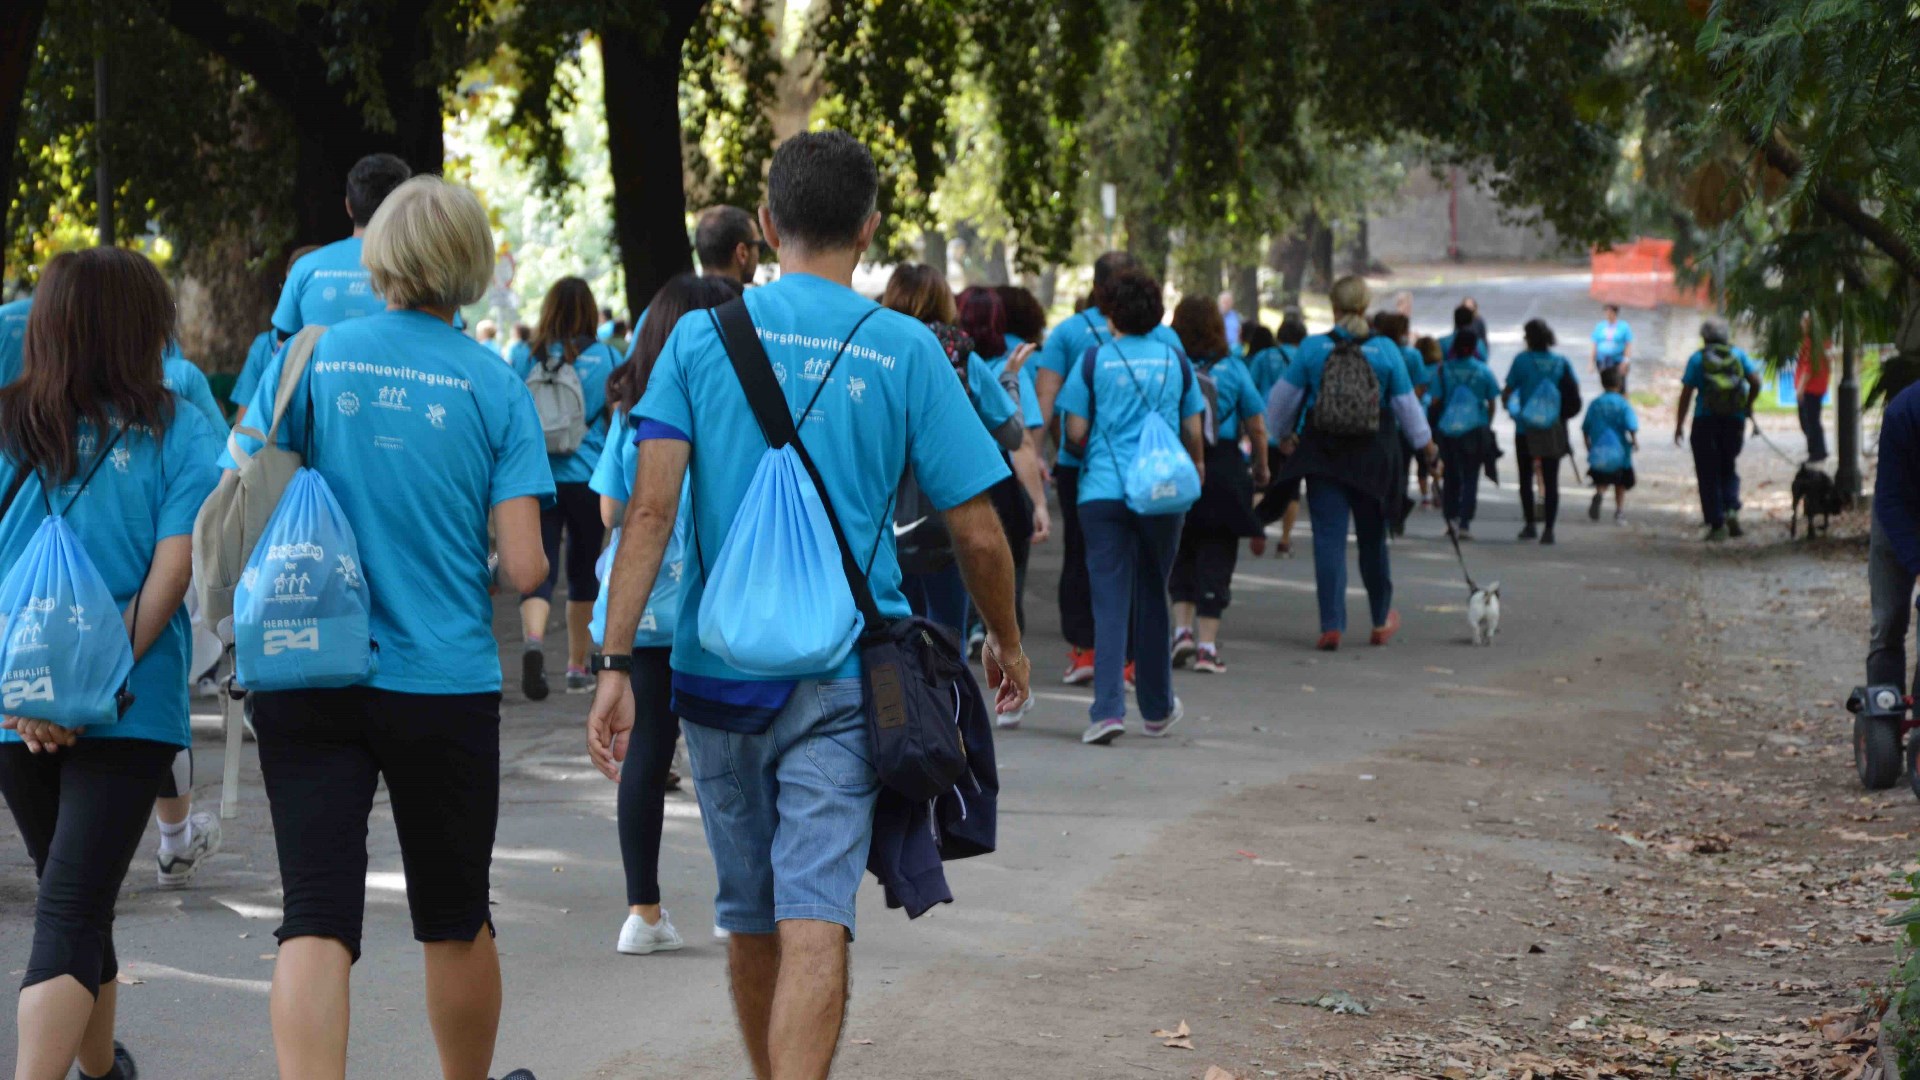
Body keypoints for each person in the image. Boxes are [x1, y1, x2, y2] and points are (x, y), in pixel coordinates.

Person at [586, 129, 1028, 1080]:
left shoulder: (700, 338)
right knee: (816, 912)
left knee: (749, 909)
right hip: (843, 675)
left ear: (769, 224)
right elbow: (981, 531)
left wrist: (616, 663)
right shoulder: (907, 348)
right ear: (867, 229)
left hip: (714, 675)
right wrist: (1006, 638)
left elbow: (651, 510)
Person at [226, 176, 551, 1080]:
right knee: (454, 914)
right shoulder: (494, 384)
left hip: (306, 667)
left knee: (316, 913)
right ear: (469, 268)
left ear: (379, 255)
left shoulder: (310, 357)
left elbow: (241, 486)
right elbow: (527, 567)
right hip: (441, 682)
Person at [0, 248, 222, 1080]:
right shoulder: (178, 427)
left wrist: (27, 691)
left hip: (14, 711)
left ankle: (103, 1074)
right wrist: (90, 682)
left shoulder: (8, 419)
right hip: (131, 705)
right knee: (71, 904)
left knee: (75, 897)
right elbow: (172, 575)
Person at [589, 271, 740, 957]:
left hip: (645, 610)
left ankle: (642, 912)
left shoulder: (634, 412)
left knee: (647, 755)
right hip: (715, 608)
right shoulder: (733, 406)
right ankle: (740, 901)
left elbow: (613, 511)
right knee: (728, 752)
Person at [1057, 270, 1203, 742]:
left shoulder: (1093, 359)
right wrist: (1197, 467)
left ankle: (1106, 711)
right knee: (1153, 595)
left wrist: (1094, 450)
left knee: (1109, 600)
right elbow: (1194, 429)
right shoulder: (1175, 360)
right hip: (1161, 493)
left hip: (1102, 491)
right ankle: (1157, 709)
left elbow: (1075, 432)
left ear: (1111, 313)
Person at [1033, 251, 1185, 685]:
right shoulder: (1167, 342)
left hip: (1083, 468)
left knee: (1083, 559)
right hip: (1154, 470)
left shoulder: (1068, 334)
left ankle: (1085, 651)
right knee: (1146, 564)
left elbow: (1048, 400)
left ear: (1096, 287)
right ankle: (1133, 658)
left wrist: (1037, 457)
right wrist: (1194, 463)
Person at [1264, 275, 1433, 650]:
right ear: (1365, 306)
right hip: (1375, 457)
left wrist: (1282, 437)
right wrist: (1428, 449)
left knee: (1328, 539)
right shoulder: (1386, 350)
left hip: (1324, 454)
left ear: (1334, 308)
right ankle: (1378, 618)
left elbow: (1280, 402)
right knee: (1373, 540)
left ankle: (1331, 624)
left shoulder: (1312, 349)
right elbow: (1408, 408)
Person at [881, 265, 1024, 637]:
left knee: (888, 638)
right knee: (946, 636)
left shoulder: (870, 348)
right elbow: (1012, 433)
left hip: (880, 513)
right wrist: (1009, 380)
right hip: (945, 514)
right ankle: (946, 695)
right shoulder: (960, 354)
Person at [510, 279, 620, 699]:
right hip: (589, 479)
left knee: (539, 566)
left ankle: (534, 642)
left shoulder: (525, 355)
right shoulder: (606, 356)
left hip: (539, 478)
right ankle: (577, 666)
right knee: (582, 572)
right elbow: (617, 422)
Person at [1167, 296, 1268, 674]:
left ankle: (1181, 632)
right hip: (1223, 465)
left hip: (1178, 462)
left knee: (1180, 544)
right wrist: (1262, 466)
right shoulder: (1233, 369)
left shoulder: (1171, 364)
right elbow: (1257, 424)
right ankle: (1208, 646)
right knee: (1218, 549)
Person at [959, 286, 1050, 651]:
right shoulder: (1007, 368)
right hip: (1000, 477)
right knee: (1007, 559)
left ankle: (966, 625)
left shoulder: (947, 362)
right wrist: (1039, 503)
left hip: (956, 474)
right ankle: (998, 632)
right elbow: (1023, 441)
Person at [271, 153, 413, 340]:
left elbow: (283, 352)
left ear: (348, 206)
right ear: (405, 208)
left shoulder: (304, 268)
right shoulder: (422, 272)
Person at [623, 206, 764, 359]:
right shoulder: (751, 312)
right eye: (758, 246)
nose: (759, 253)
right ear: (742, 253)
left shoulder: (657, 312)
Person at [1674, 318, 1762, 541]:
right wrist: (1747, 405)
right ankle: (1731, 509)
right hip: (1734, 420)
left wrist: (1679, 425)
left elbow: (1686, 394)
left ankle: (1716, 524)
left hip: (1705, 421)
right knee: (1728, 466)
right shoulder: (1739, 356)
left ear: (1704, 338)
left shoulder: (1697, 359)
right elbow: (1756, 381)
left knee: (1707, 472)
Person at [1503, 318, 1580, 544]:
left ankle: (1529, 524)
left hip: (1526, 428)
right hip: (1552, 428)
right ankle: (1549, 529)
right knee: (1551, 478)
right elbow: (1572, 394)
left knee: (1525, 477)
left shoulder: (1522, 361)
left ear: (1528, 338)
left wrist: (1513, 409)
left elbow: (1507, 392)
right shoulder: (1561, 362)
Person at [1869, 371, 1920, 702]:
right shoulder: (1903, 411)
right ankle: (1884, 710)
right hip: (1899, 515)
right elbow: (1889, 500)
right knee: (1888, 621)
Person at [233, 245, 322, 424]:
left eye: (301, 291)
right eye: (288, 289)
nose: (292, 300)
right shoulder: (265, 346)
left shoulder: (339, 342)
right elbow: (244, 427)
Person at [1427, 327, 1500, 539]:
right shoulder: (1483, 371)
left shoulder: (1444, 370)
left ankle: (1450, 520)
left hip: (1449, 431)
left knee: (1451, 476)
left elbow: (1435, 400)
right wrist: (1487, 422)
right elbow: (1493, 400)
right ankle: (1465, 523)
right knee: (1471, 476)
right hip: (1475, 430)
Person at [1252, 309, 1308, 555]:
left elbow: (1251, 390)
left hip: (1266, 427)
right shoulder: (1305, 358)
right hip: (1295, 430)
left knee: (1262, 483)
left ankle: (1257, 528)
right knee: (1292, 489)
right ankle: (1285, 540)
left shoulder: (1264, 357)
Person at [1371, 311, 1425, 535]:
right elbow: (1420, 387)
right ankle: (1395, 513)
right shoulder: (1411, 356)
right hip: (1402, 423)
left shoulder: (1375, 351)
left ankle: (1380, 512)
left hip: (1376, 422)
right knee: (1401, 470)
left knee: (1378, 471)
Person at [1582, 365, 1640, 524]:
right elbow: (1631, 425)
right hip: (1620, 450)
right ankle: (1619, 511)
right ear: (1620, 384)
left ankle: (1600, 493)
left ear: (1602, 383)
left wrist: (1588, 444)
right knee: (1620, 482)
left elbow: (1586, 427)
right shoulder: (1623, 404)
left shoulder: (1595, 403)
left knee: (1602, 477)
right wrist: (1635, 441)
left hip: (1600, 448)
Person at [1412, 336, 1445, 508]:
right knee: (1435, 454)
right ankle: (1437, 482)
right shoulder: (1440, 369)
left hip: (1418, 416)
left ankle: (1425, 496)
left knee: (1420, 459)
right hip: (1436, 418)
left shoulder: (1417, 369)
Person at [1796, 311, 1831, 462]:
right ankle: (1818, 450)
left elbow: (1808, 366)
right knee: (1812, 420)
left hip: (1811, 387)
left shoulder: (1811, 343)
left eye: (1804, 322)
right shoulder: (1823, 341)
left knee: (1810, 422)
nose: (1801, 325)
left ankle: (1816, 452)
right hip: (1818, 386)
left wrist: (1801, 388)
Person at [1591, 303, 1634, 391]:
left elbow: (1628, 345)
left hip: (1617, 360)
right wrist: (1591, 361)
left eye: (1610, 312)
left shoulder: (1623, 327)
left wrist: (1626, 361)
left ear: (1615, 313)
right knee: (1606, 384)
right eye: (1606, 312)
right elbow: (1594, 344)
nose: (1608, 314)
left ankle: (1622, 403)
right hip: (1603, 360)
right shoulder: (1600, 326)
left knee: (1620, 386)